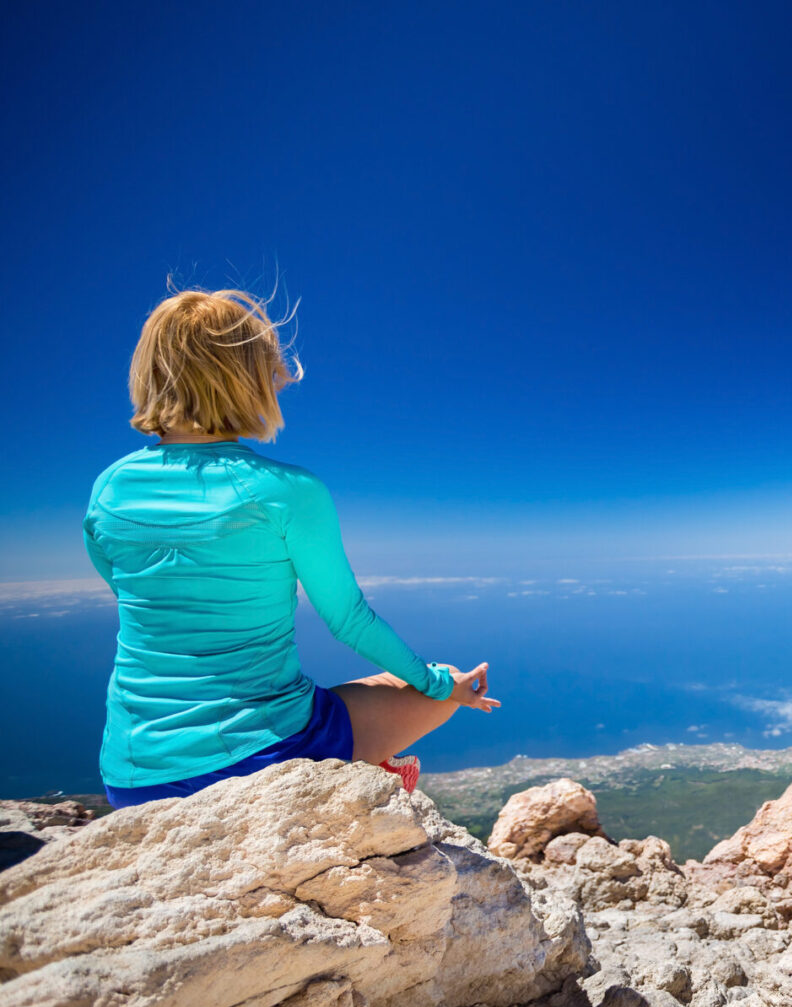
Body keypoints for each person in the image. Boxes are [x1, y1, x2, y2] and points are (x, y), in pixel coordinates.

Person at [83, 286, 500, 809]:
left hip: (132, 779)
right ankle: (372, 779)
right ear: (252, 378)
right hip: (261, 758)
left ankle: (365, 769)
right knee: (432, 690)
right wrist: (443, 684)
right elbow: (350, 621)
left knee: (364, 694)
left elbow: (121, 581)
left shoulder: (110, 488)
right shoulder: (286, 491)